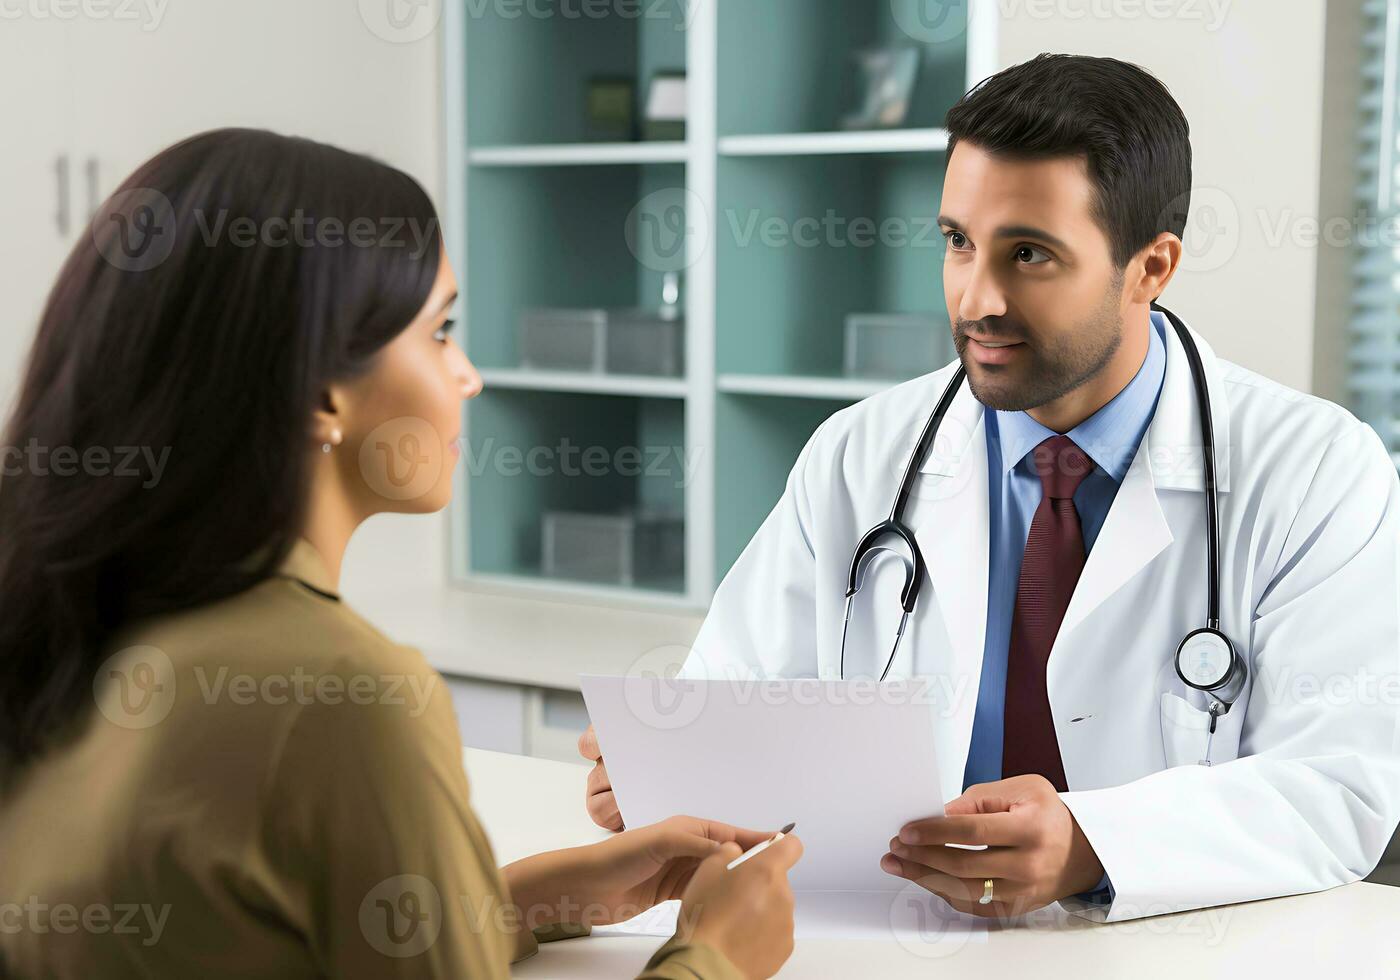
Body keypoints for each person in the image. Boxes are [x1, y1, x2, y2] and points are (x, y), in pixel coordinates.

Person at [582, 54, 1400, 922]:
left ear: (1151, 268)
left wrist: (1091, 844)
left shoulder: (1314, 469)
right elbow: (736, 692)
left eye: (1029, 254)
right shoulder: (861, 454)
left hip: (1163, 947)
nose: (977, 298)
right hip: (888, 936)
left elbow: (1341, 786)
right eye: (958, 242)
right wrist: (671, 772)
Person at [0, 128, 801, 978]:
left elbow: (240, 930)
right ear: (321, 393)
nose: (469, 376)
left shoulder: (78, 619)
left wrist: (538, 897)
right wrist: (715, 953)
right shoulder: (342, 696)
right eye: (440, 330)